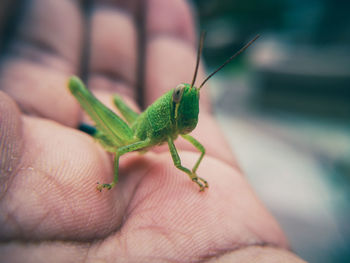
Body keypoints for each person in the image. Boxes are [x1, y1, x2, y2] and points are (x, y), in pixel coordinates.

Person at [0, 0, 306, 262]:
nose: (187, 103)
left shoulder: (178, 129)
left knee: (197, 149)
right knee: (104, 117)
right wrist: (112, 182)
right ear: (172, 103)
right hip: (128, 135)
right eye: (180, 98)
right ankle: (83, 103)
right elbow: (122, 151)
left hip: (145, 131)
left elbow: (193, 153)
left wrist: (194, 173)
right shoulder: (151, 136)